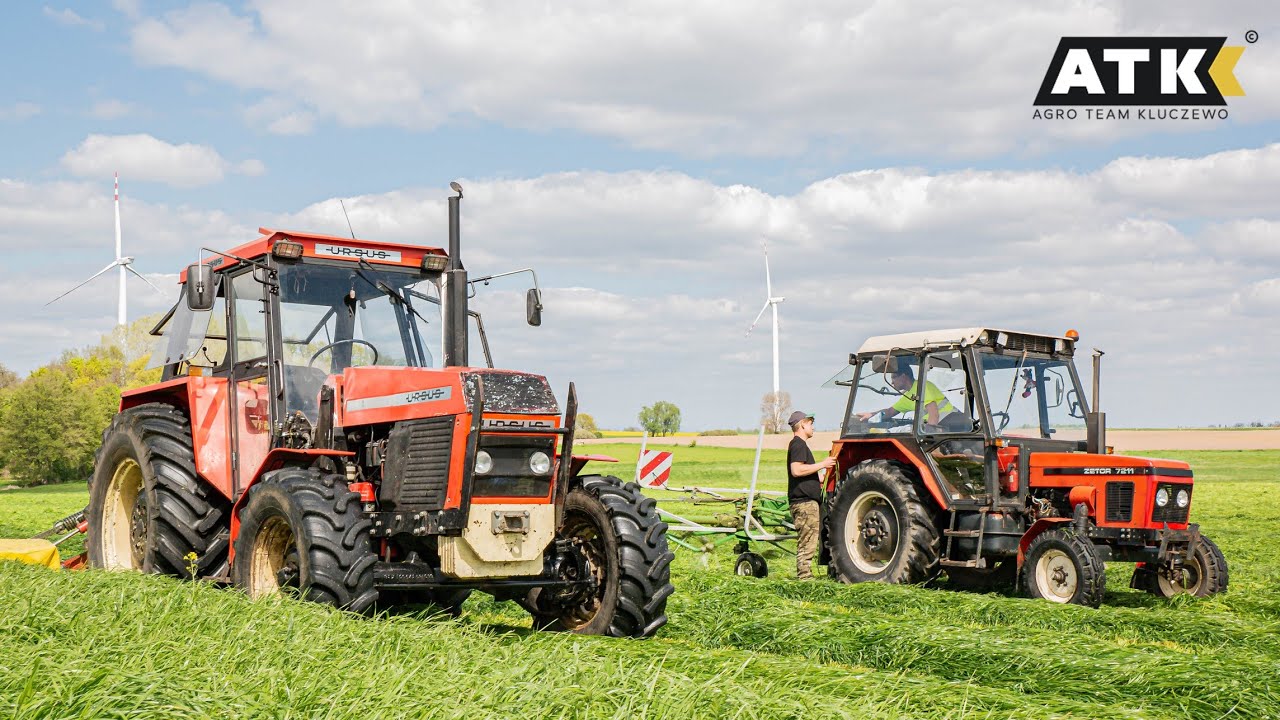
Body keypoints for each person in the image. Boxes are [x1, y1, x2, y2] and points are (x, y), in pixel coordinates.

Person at [786, 410, 836, 580]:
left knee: (809, 539)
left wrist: (821, 476)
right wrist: (823, 464)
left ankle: (805, 574)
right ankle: (804, 576)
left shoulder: (800, 445)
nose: (813, 427)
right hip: (804, 502)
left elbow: (805, 472)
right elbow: (797, 470)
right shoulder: (798, 445)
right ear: (802, 425)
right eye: (811, 424)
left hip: (807, 501)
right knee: (807, 540)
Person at [857, 364, 956, 426]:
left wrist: (928, 437)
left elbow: (934, 414)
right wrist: (871, 415)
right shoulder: (908, 395)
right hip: (940, 425)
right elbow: (890, 411)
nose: (892, 382)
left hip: (950, 422)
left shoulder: (922, 387)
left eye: (894, 377)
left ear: (904, 376)